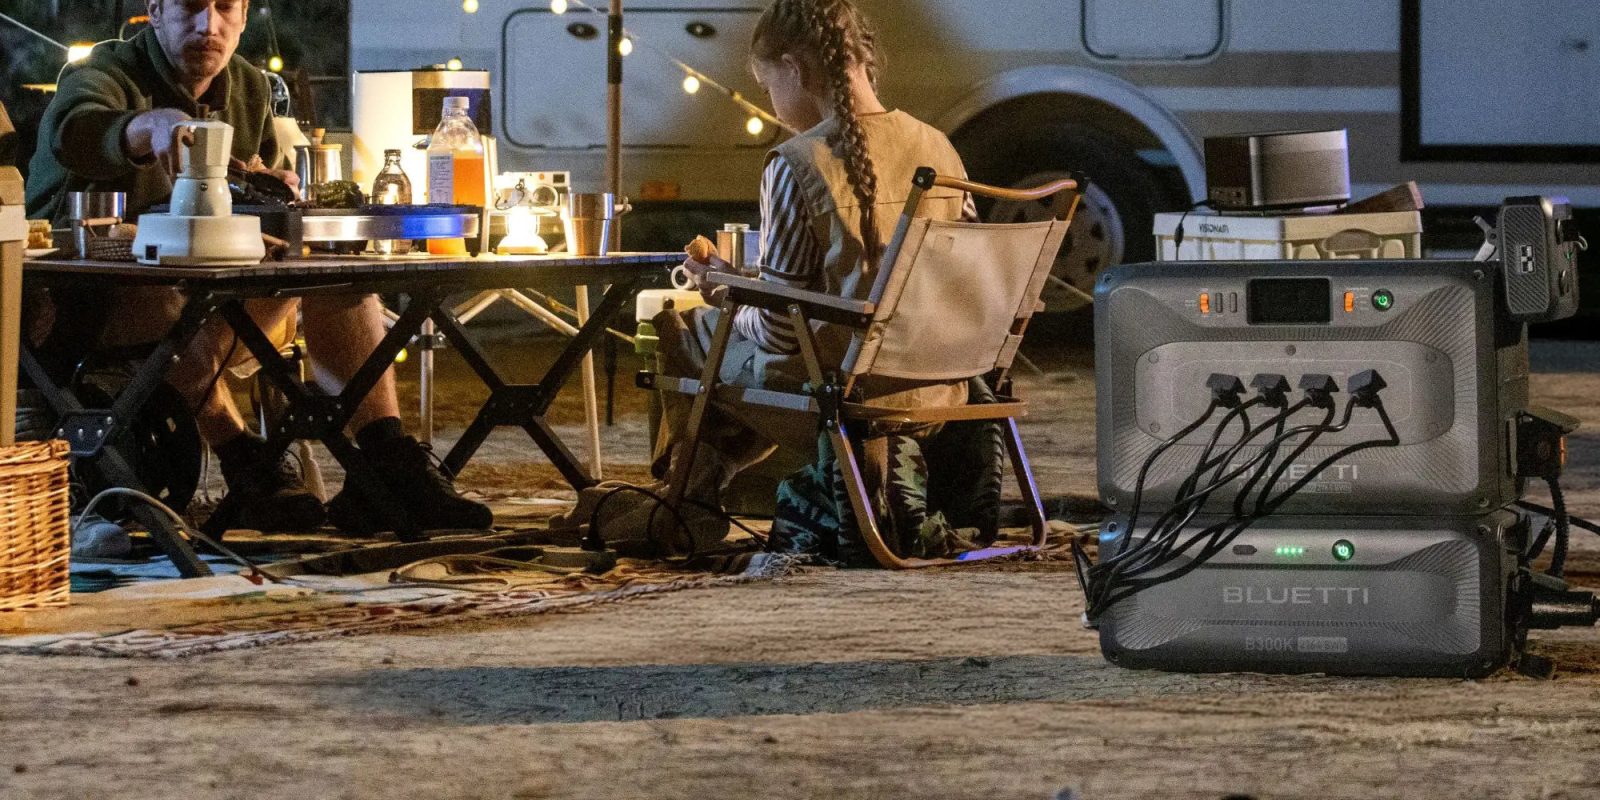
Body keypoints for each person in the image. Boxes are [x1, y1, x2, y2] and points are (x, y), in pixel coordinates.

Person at [25, 0, 490, 535]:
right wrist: (150, 128)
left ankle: (384, 462)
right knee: (171, 297)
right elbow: (75, 130)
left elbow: (252, 189)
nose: (209, 25)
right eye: (191, 8)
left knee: (336, 277)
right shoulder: (103, 72)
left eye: (225, 8)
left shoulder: (247, 87)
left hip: (211, 288)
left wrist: (269, 184)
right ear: (154, 9)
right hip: (78, 300)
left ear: (244, 17)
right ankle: (244, 459)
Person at [564, 0, 1003, 561]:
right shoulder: (937, 145)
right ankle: (693, 496)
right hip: (942, 384)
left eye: (769, 86)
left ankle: (688, 500)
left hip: (843, 390)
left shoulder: (797, 162)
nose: (772, 104)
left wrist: (724, 293)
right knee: (723, 329)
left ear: (794, 69)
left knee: (687, 330)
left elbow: (777, 334)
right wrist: (745, 285)